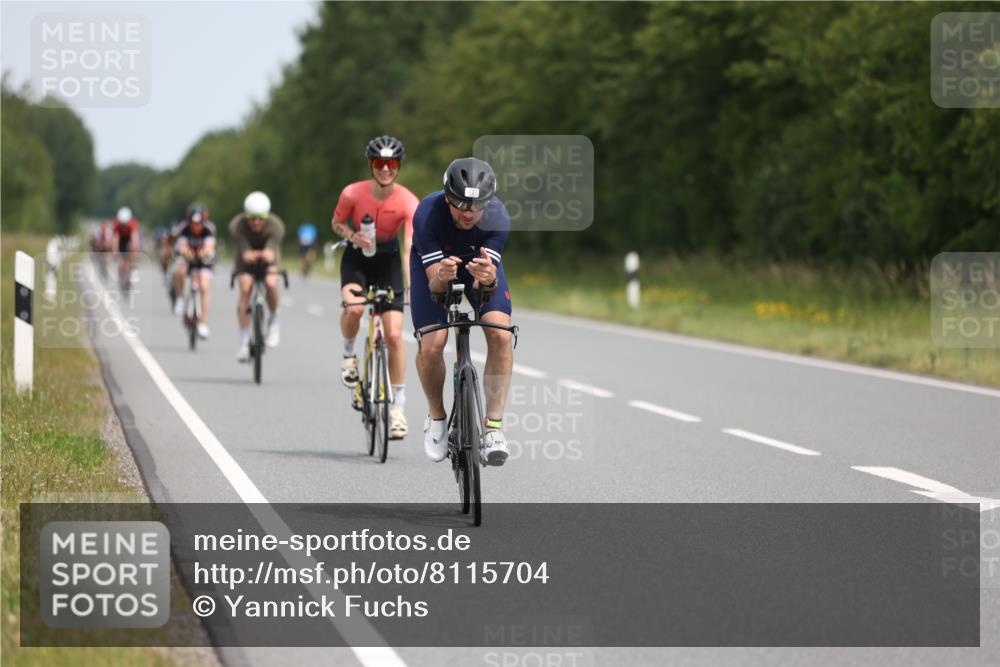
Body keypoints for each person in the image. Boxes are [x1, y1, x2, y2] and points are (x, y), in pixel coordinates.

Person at [410, 157, 514, 466]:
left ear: (488, 203)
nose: (468, 213)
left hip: (477, 266)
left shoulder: (498, 216)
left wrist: (489, 277)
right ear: (447, 198)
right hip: (434, 268)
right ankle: (436, 416)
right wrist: (441, 276)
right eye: (459, 205)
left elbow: (489, 285)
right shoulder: (427, 214)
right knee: (432, 344)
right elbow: (435, 289)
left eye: (476, 206)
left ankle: (493, 427)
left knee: (500, 333)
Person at [330, 135, 419, 439]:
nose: (385, 169)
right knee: (354, 309)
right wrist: (352, 236)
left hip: (389, 260)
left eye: (391, 163)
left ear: (398, 166)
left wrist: (412, 288)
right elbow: (337, 223)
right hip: (357, 257)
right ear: (371, 165)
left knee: (394, 335)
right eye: (379, 163)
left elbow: (408, 248)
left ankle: (397, 409)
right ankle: (348, 355)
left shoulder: (408, 201)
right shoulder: (352, 193)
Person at [229, 191, 285, 362]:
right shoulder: (237, 225)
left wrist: (266, 254)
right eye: (252, 218)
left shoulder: (276, 225)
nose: (256, 222)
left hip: (269, 255)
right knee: (245, 287)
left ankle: (274, 318)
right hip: (245, 257)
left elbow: (270, 251)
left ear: (266, 216)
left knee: (271, 281)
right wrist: (250, 255)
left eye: (260, 218)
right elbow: (245, 253)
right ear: (246, 216)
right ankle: (244, 343)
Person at [171, 203, 217, 339]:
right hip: (188, 257)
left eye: (199, 223)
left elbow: (209, 247)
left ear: (204, 221)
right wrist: (187, 253)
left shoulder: (209, 229)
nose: (196, 226)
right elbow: (182, 246)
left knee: (204, 286)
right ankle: (179, 298)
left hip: (204, 259)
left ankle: (203, 322)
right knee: (179, 270)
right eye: (193, 223)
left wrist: (203, 254)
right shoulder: (183, 228)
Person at [112, 206, 140, 289]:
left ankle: (134, 269)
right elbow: (115, 240)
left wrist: (134, 253)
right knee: (120, 263)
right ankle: (120, 280)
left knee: (133, 250)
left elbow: (134, 240)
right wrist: (115, 252)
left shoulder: (133, 224)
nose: (124, 225)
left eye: (125, 224)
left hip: (129, 238)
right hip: (121, 240)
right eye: (122, 224)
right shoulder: (116, 225)